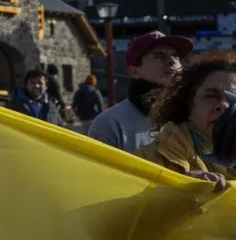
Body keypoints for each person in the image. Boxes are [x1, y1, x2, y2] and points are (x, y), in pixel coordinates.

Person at [135, 51, 236, 192]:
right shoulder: (143, 162)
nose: (224, 105)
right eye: (211, 96)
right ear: (189, 105)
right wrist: (178, 193)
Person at [88, 31, 193, 152]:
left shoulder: (195, 117)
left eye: (175, 55)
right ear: (134, 71)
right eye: (159, 56)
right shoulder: (110, 123)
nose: (171, 61)